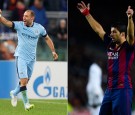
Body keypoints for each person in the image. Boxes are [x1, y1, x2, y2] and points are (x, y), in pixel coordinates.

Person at [77, 1, 134, 115]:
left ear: (122, 34)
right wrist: (87, 14)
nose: (111, 34)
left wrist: (130, 19)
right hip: (109, 90)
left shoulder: (127, 47)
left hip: (122, 90)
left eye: (114, 32)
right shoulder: (110, 44)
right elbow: (98, 29)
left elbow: (131, 35)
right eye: (111, 32)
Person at [0, 9, 58, 111]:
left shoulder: (39, 28)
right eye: (23, 16)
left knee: (25, 82)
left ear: (32, 18)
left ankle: (14, 93)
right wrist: (0, 16)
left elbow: (47, 38)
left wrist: (53, 52)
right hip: (21, 56)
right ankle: (26, 104)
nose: (24, 18)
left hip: (32, 58)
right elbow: (6, 22)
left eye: (26, 16)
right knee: (23, 80)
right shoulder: (19, 25)